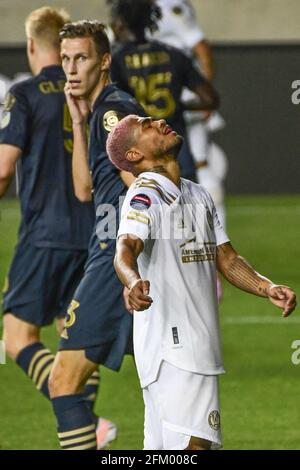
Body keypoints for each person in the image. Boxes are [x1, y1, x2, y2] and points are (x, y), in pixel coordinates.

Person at [107, 114, 297, 450]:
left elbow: (226, 257)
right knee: (196, 449)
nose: (159, 121)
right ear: (135, 155)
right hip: (177, 347)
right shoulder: (146, 194)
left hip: (183, 347)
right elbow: (125, 248)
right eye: (146, 125)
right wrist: (133, 280)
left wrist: (265, 287)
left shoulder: (196, 193)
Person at [0, 7, 115, 448]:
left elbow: (5, 165)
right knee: (76, 347)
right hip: (93, 238)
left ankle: (88, 423)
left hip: (44, 235)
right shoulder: (95, 95)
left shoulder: (24, 93)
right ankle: (86, 428)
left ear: (32, 45)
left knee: (17, 336)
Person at [48, 20, 145, 450]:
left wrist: (140, 236)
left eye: (81, 58)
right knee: (165, 374)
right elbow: (84, 190)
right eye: (65, 58)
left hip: (113, 256)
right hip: (106, 251)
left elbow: (140, 177)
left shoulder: (112, 109)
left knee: (63, 379)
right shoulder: (96, 111)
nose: (71, 68)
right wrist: (75, 118)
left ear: (104, 61)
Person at [107, 0, 219, 182]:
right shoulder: (175, 55)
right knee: (188, 208)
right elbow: (210, 99)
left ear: (119, 23)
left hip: (141, 158)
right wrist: (181, 107)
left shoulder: (115, 61)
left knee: (145, 209)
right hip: (178, 156)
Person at [151, 0, 228, 228]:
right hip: (154, 104)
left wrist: (203, 94)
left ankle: (216, 244)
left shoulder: (171, 8)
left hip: (182, 101)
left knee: (199, 163)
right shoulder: (133, 10)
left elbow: (201, 47)